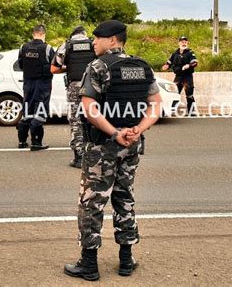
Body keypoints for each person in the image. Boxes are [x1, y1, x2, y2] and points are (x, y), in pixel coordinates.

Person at [64, 20, 162, 281]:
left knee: (91, 202)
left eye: (97, 39)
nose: (93, 43)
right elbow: (156, 105)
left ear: (112, 40)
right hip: (131, 146)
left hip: (103, 147)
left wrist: (115, 133)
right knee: (124, 197)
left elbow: (89, 109)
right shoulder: (141, 67)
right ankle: (126, 260)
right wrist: (137, 130)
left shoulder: (97, 67)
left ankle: (89, 264)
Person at [51, 26, 96, 168]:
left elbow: (53, 68)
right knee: (94, 117)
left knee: (76, 119)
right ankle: (93, 153)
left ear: (73, 35)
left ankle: (79, 157)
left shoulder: (66, 45)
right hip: (93, 85)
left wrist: (68, 67)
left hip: (74, 85)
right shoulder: (93, 43)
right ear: (84, 34)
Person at [16, 24, 55, 151]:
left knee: (27, 112)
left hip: (28, 84)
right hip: (43, 85)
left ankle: (22, 141)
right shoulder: (48, 48)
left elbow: (21, 65)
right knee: (40, 113)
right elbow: (54, 66)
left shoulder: (23, 47)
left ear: (33, 34)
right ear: (44, 34)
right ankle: (36, 142)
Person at [161, 36, 198, 115]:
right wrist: (166, 66)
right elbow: (169, 63)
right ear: (179, 43)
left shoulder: (190, 53)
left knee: (189, 94)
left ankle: (192, 111)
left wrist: (189, 65)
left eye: (185, 42)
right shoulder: (174, 54)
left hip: (187, 76)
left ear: (187, 43)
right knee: (174, 93)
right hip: (178, 77)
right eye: (182, 42)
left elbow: (195, 63)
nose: (183, 43)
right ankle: (171, 110)